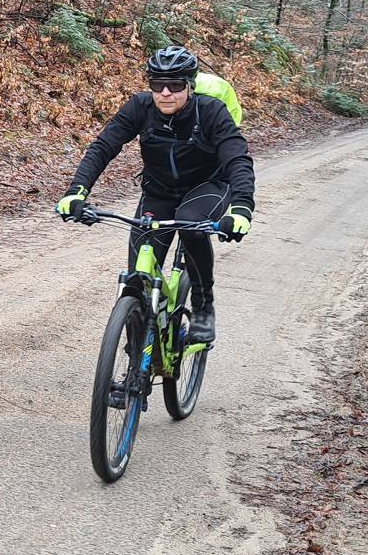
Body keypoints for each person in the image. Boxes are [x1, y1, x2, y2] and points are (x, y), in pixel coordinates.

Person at [54, 45, 256, 344]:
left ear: (190, 85)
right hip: (159, 191)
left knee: (191, 224)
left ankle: (203, 307)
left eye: (175, 85)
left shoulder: (211, 112)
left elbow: (237, 158)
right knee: (137, 279)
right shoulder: (140, 107)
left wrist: (241, 208)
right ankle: (136, 354)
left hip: (207, 187)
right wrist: (76, 193)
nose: (165, 93)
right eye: (157, 85)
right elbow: (103, 147)